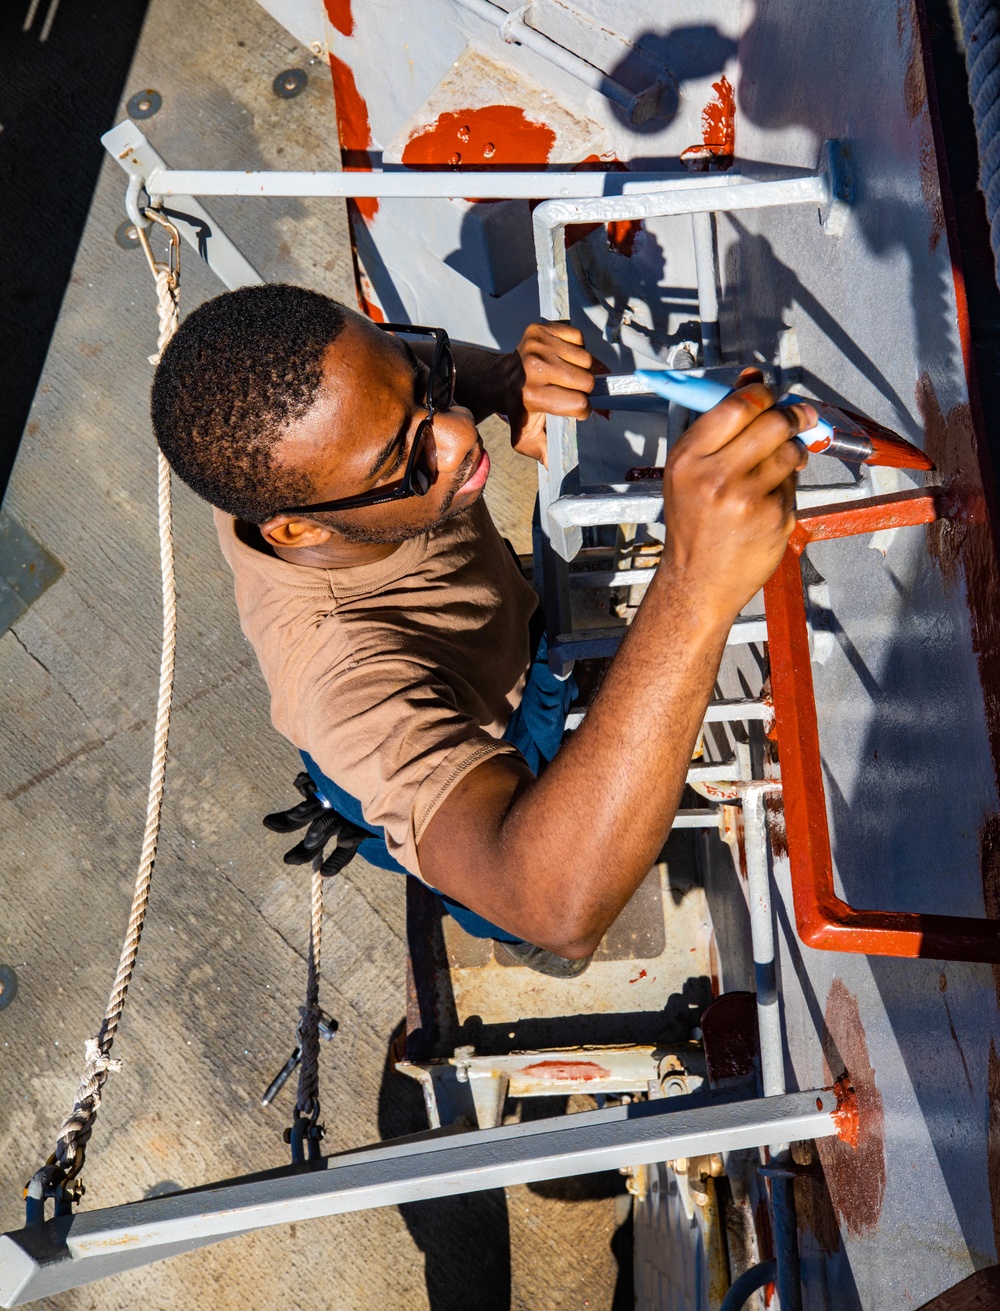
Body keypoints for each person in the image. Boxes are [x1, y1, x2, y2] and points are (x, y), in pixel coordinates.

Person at [151, 283, 813, 977]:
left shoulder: (325, 432)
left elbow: (399, 383)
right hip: (434, 748)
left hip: (489, 648)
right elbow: (557, 910)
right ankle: (384, 828)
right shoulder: (343, 682)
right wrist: (694, 584)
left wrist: (503, 378)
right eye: (405, 462)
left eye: (428, 386)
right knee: (519, 923)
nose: (462, 435)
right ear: (298, 529)